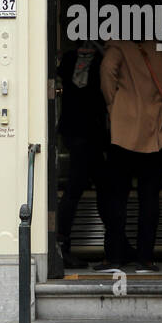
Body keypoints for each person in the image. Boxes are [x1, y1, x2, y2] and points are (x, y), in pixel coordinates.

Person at [98, 35, 162, 273]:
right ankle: (145, 258)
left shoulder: (119, 47)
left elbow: (107, 70)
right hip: (156, 131)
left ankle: (115, 256)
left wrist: (113, 105)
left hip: (123, 131)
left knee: (117, 198)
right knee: (149, 198)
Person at [54, 40, 109, 270]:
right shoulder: (101, 60)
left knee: (76, 192)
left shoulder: (66, 61)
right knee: (104, 190)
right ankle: (114, 246)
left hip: (72, 132)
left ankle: (62, 246)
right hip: (92, 133)